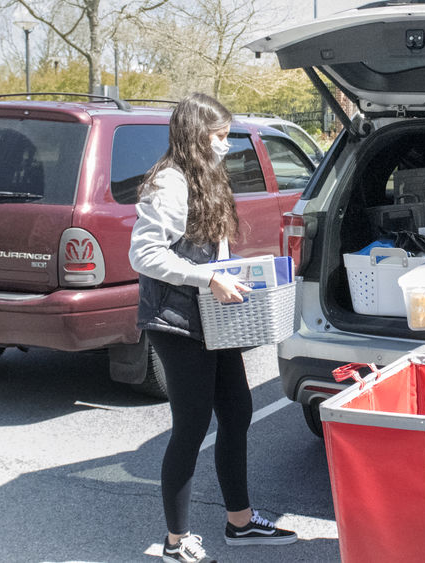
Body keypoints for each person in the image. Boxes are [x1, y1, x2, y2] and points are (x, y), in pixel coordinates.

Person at [129, 93, 297, 563]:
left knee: (238, 410)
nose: (226, 145)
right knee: (191, 427)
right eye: (219, 136)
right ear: (194, 135)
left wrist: (235, 272)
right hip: (177, 320)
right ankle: (175, 542)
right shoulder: (169, 182)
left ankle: (239, 523)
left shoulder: (206, 176)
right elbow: (144, 254)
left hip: (213, 317)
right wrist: (208, 277)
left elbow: (211, 249)